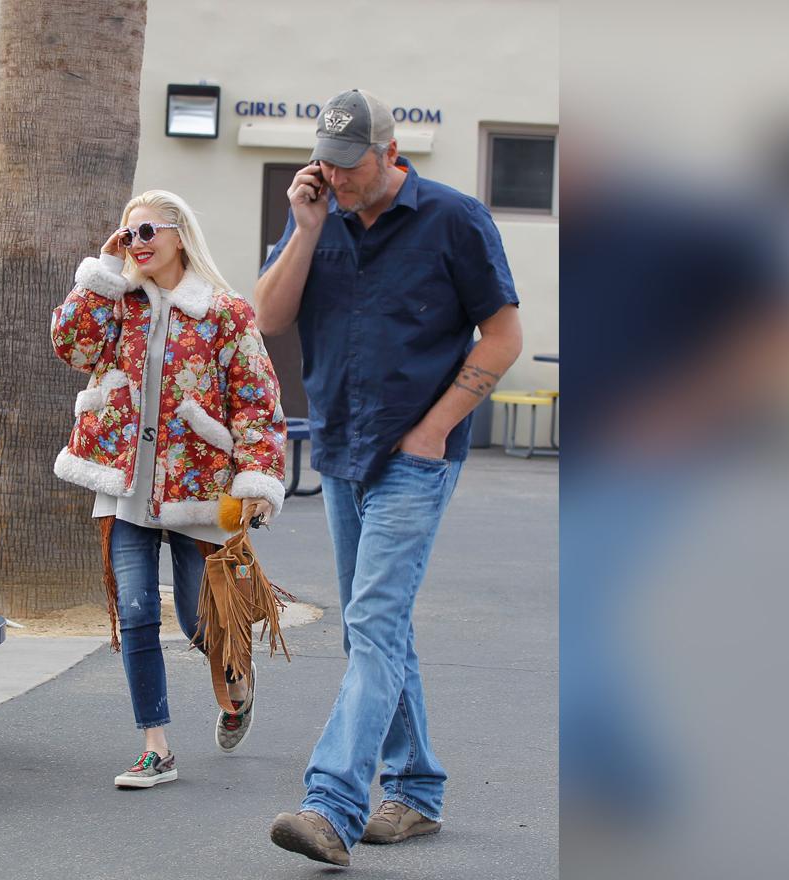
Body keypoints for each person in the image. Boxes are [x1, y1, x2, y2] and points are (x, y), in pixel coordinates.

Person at [255, 91, 524, 865]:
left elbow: (503, 335)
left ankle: (331, 804)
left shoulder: (455, 218)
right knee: (377, 628)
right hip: (340, 449)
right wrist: (305, 231)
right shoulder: (316, 215)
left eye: (350, 165)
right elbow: (268, 317)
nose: (336, 179)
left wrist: (435, 429)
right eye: (326, 164)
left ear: (389, 150)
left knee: (371, 625)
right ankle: (418, 789)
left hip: (415, 456)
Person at [50, 189, 287, 789]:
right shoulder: (118, 303)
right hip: (125, 487)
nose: (139, 244)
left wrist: (257, 477)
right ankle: (156, 748)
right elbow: (70, 347)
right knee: (134, 613)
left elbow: (257, 403)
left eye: (150, 231)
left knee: (196, 619)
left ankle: (236, 685)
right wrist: (102, 275)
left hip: (198, 489)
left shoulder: (226, 312)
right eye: (129, 234)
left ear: (180, 235)